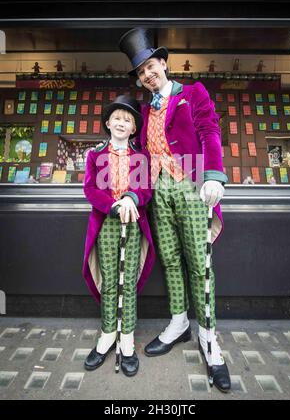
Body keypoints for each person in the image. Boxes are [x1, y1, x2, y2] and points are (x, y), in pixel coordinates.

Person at [119, 28, 231, 392]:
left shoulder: (193, 93)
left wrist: (214, 175)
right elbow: (138, 155)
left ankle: (210, 341)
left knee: (200, 262)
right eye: (141, 73)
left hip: (192, 186)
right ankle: (179, 322)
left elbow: (210, 130)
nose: (148, 75)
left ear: (163, 63)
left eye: (151, 67)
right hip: (160, 191)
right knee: (169, 258)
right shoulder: (144, 109)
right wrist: (135, 192)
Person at [82, 95, 155, 376]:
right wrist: (112, 204)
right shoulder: (95, 155)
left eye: (128, 119)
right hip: (107, 224)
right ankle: (107, 335)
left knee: (129, 282)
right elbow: (90, 189)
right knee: (111, 280)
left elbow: (147, 189)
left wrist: (131, 198)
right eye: (117, 118)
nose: (122, 122)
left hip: (134, 223)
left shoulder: (142, 157)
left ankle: (127, 341)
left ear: (134, 128)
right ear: (107, 123)